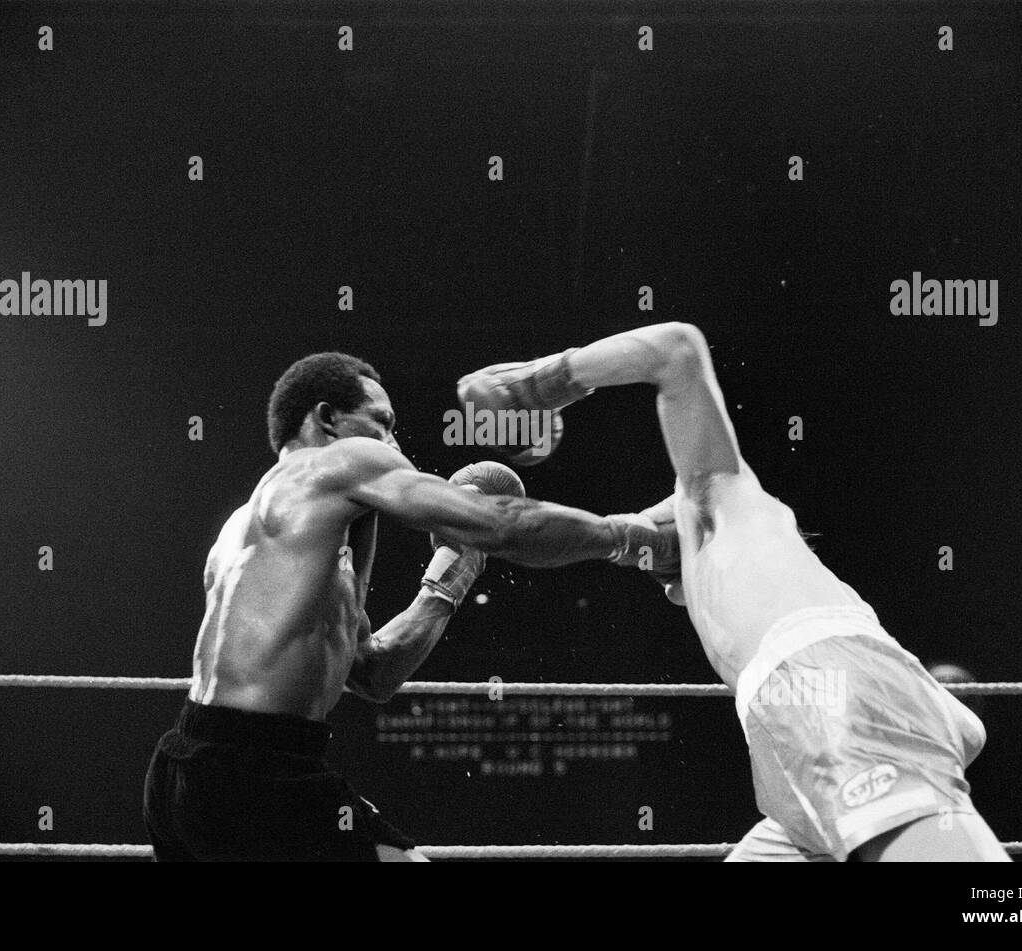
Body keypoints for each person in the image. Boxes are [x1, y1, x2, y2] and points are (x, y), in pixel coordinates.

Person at [458, 324, 1008, 862]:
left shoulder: (721, 497)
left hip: (823, 685)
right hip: (789, 767)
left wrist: (530, 387)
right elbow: (591, 537)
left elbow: (676, 348)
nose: (658, 536)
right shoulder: (704, 571)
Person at [143, 351, 677, 861]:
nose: (394, 443)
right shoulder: (341, 462)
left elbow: (373, 673)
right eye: (384, 422)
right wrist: (631, 536)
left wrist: (451, 578)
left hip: (186, 776)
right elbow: (505, 524)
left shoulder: (258, 532)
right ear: (327, 420)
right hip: (258, 775)